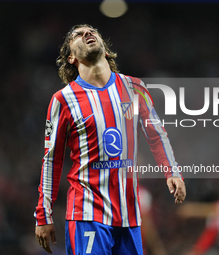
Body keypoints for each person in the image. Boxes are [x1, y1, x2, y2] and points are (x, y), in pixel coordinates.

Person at [34, 24, 186, 255]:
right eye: (77, 35)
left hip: (129, 215)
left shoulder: (135, 87)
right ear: (71, 58)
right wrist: (43, 214)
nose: (87, 33)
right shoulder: (63, 100)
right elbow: (51, 160)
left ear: (106, 50)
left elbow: (156, 135)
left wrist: (172, 171)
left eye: (91, 31)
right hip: (86, 213)